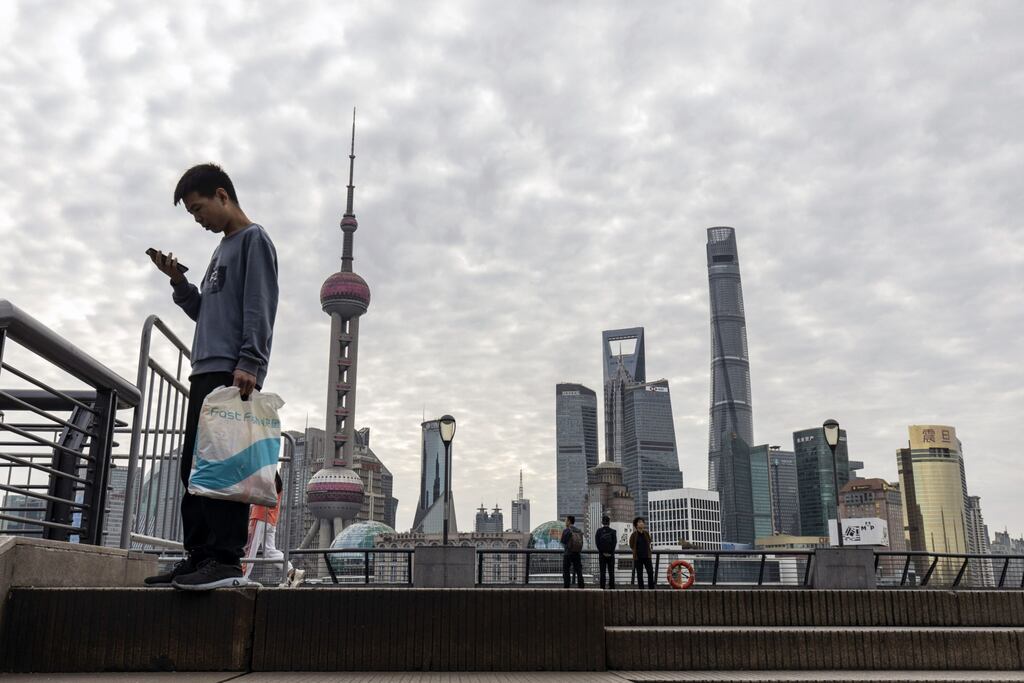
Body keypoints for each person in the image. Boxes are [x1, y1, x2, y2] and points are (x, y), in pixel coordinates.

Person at [144, 163, 279, 591]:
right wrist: (180, 283)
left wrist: (251, 362)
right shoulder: (221, 249)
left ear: (223, 196)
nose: (198, 220)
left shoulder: (253, 241)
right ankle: (199, 555)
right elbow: (207, 312)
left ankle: (224, 559)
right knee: (195, 467)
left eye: (199, 209)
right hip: (205, 366)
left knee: (223, 468)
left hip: (230, 369)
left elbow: (260, 304)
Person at [242, 472, 302, 586]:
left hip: (259, 516)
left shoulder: (266, 479)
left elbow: (254, 495)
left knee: (250, 549)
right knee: (270, 551)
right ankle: (291, 570)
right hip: (271, 520)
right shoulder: (277, 482)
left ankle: (243, 576)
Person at [629, 516, 655, 589]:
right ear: (636, 525)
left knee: (650, 572)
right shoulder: (633, 535)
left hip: (647, 556)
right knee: (639, 574)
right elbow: (631, 545)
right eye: (639, 522)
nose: (641, 523)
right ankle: (641, 589)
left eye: (642, 522)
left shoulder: (646, 533)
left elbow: (649, 541)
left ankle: (651, 588)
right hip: (638, 557)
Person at [560, 515, 585, 588]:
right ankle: (581, 586)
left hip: (568, 553)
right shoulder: (579, 530)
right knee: (578, 570)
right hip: (577, 553)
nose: (565, 522)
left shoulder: (566, 530)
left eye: (566, 520)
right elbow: (581, 543)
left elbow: (563, 542)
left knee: (566, 570)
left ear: (569, 521)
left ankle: (567, 586)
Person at [595, 515, 617, 589]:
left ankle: (602, 587)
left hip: (602, 555)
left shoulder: (599, 531)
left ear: (602, 522)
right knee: (611, 572)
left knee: (602, 572)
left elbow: (597, 543)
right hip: (611, 555)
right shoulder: (613, 531)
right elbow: (614, 544)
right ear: (609, 522)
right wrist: (610, 553)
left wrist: (602, 552)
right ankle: (612, 586)